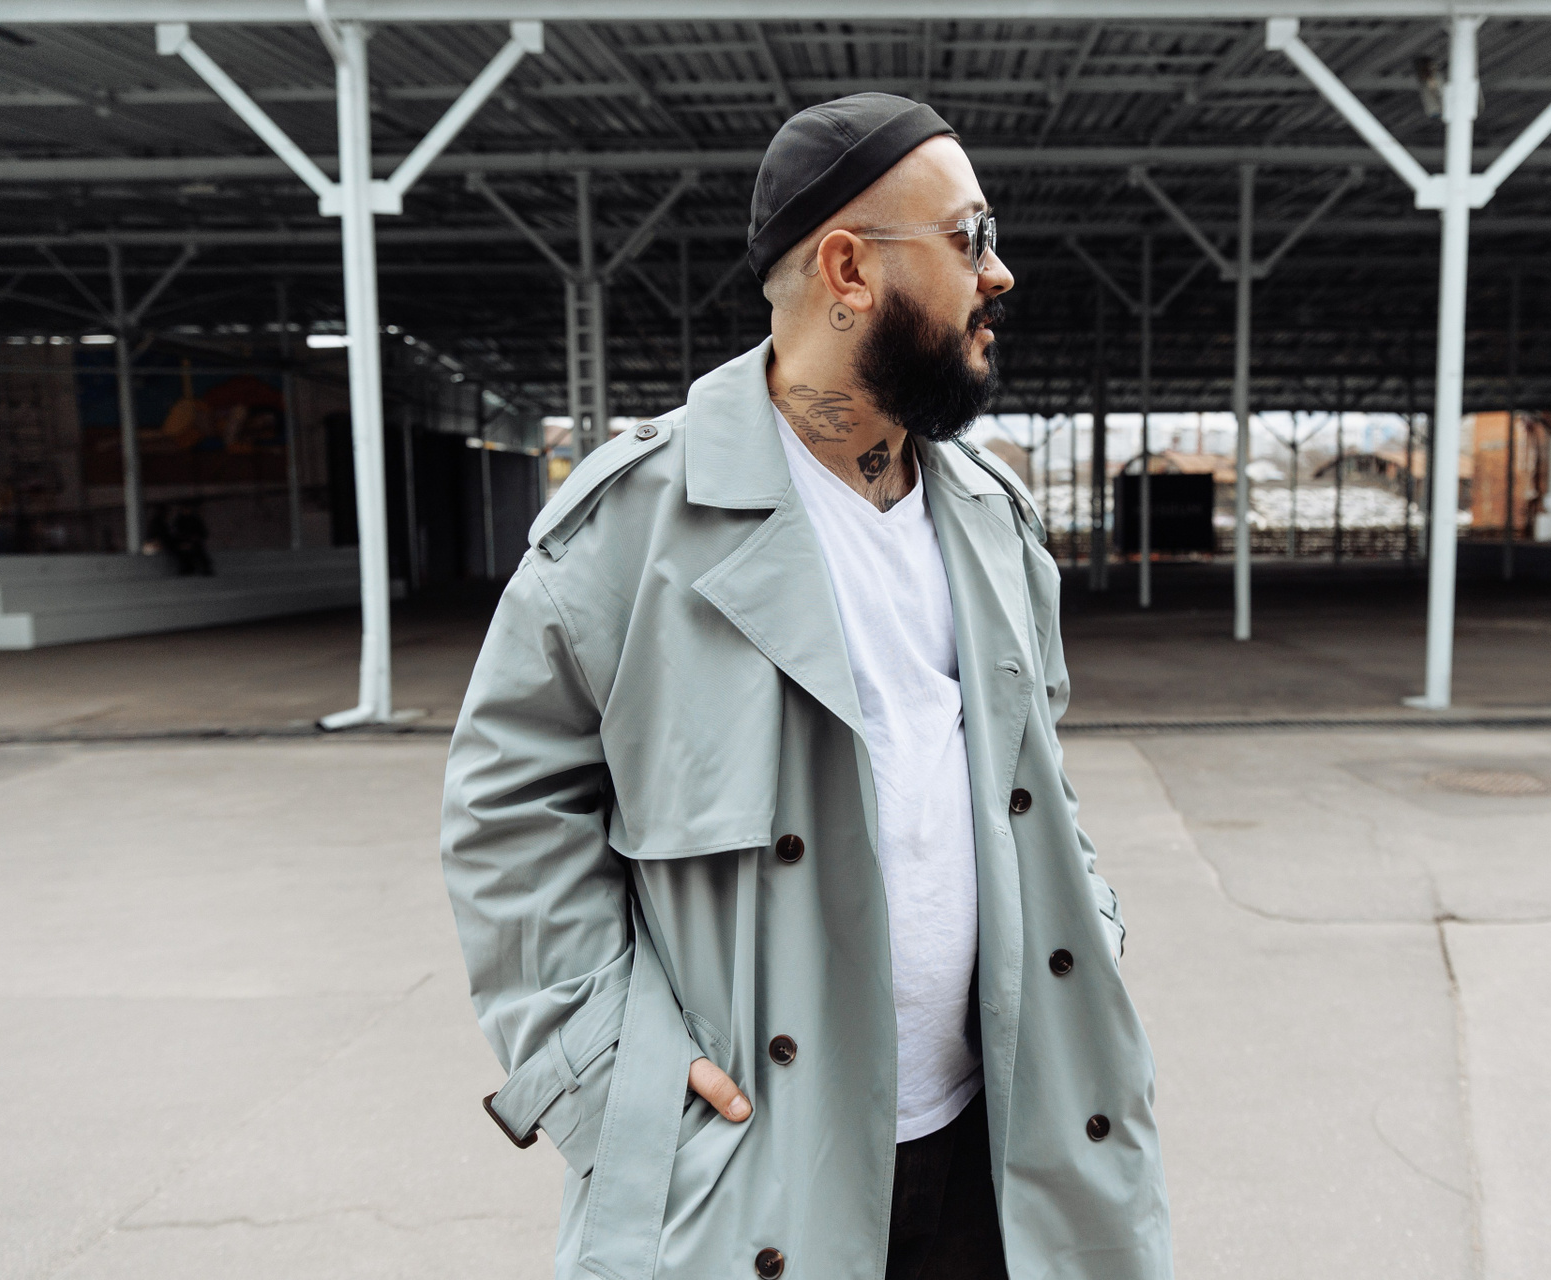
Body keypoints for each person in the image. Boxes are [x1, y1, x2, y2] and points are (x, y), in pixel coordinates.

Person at [441, 93, 1170, 1280]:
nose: (1000, 274)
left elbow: (1039, 779)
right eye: (970, 236)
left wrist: (1091, 925)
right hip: (756, 1164)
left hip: (1005, 1142)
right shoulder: (631, 530)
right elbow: (507, 811)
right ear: (849, 268)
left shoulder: (994, 523)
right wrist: (605, 1067)